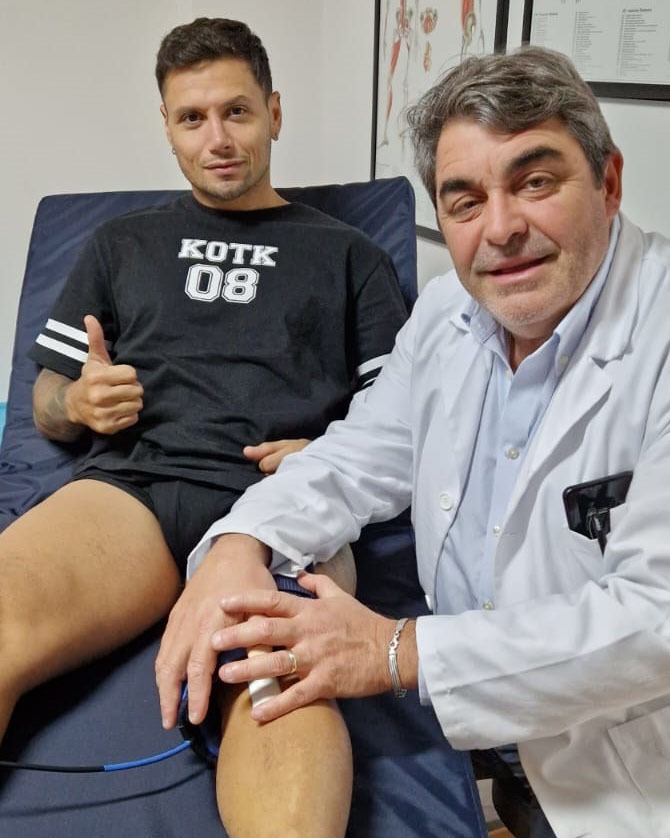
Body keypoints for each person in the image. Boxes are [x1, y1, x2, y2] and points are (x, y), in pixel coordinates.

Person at [157, 46, 670, 838]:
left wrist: (394, 652)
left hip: (637, 764)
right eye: (464, 201)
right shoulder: (445, 315)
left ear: (608, 182)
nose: (500, 228)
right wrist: (241, 540)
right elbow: (361, 453)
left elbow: (666, 620)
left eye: (535, 182)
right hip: (483, 735)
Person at [1, 16, 408, 838]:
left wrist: (331, 450)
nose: (216, 138)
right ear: (167, 126)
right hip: (134, 491)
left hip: (279, 497)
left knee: (277, 685)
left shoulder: (349, 256)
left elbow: (401, 419)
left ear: (274, 113)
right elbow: (44, 396)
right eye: (192, 118)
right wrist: (77, 403)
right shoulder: (122, 243)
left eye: (236, 112)